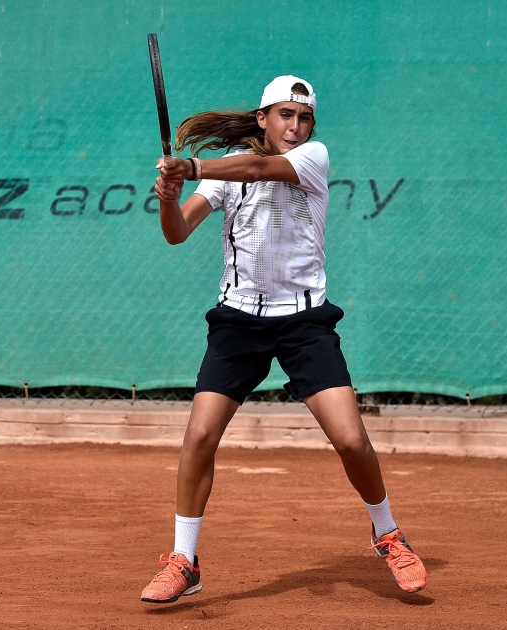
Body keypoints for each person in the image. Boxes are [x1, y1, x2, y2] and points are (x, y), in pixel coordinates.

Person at [140, 75, 427, 604]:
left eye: (304, 118)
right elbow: (176, 231)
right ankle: (185, 560)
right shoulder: (226, 171)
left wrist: (194, 166)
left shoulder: (311, 158)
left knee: (351, 440)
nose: (295, 128)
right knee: (200, 437)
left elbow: (255, 167)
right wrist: (170, 195)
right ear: (262, 118)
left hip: (304, 324)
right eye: (284, 116)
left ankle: (387, 534)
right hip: (238, 322)